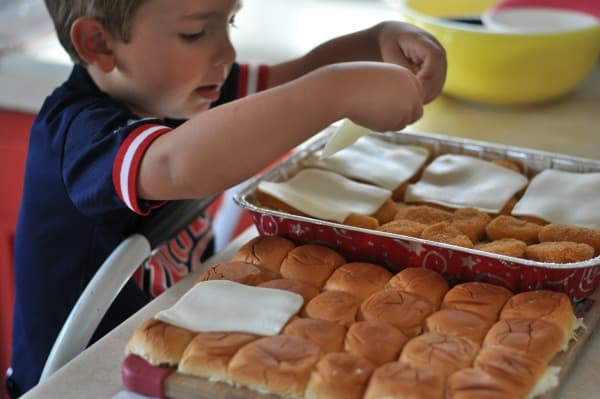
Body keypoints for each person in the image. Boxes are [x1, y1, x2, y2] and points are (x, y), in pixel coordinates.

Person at [6, 0, 446, 396]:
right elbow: (177, 165)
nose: (227, 53)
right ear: (99, 43)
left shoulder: (185, 84)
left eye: (229, 22)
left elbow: (293, 79)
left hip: (173, 340)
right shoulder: (79, 133)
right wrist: (337, 92)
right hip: (78, 376)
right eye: (196, 33)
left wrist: (378, 40)